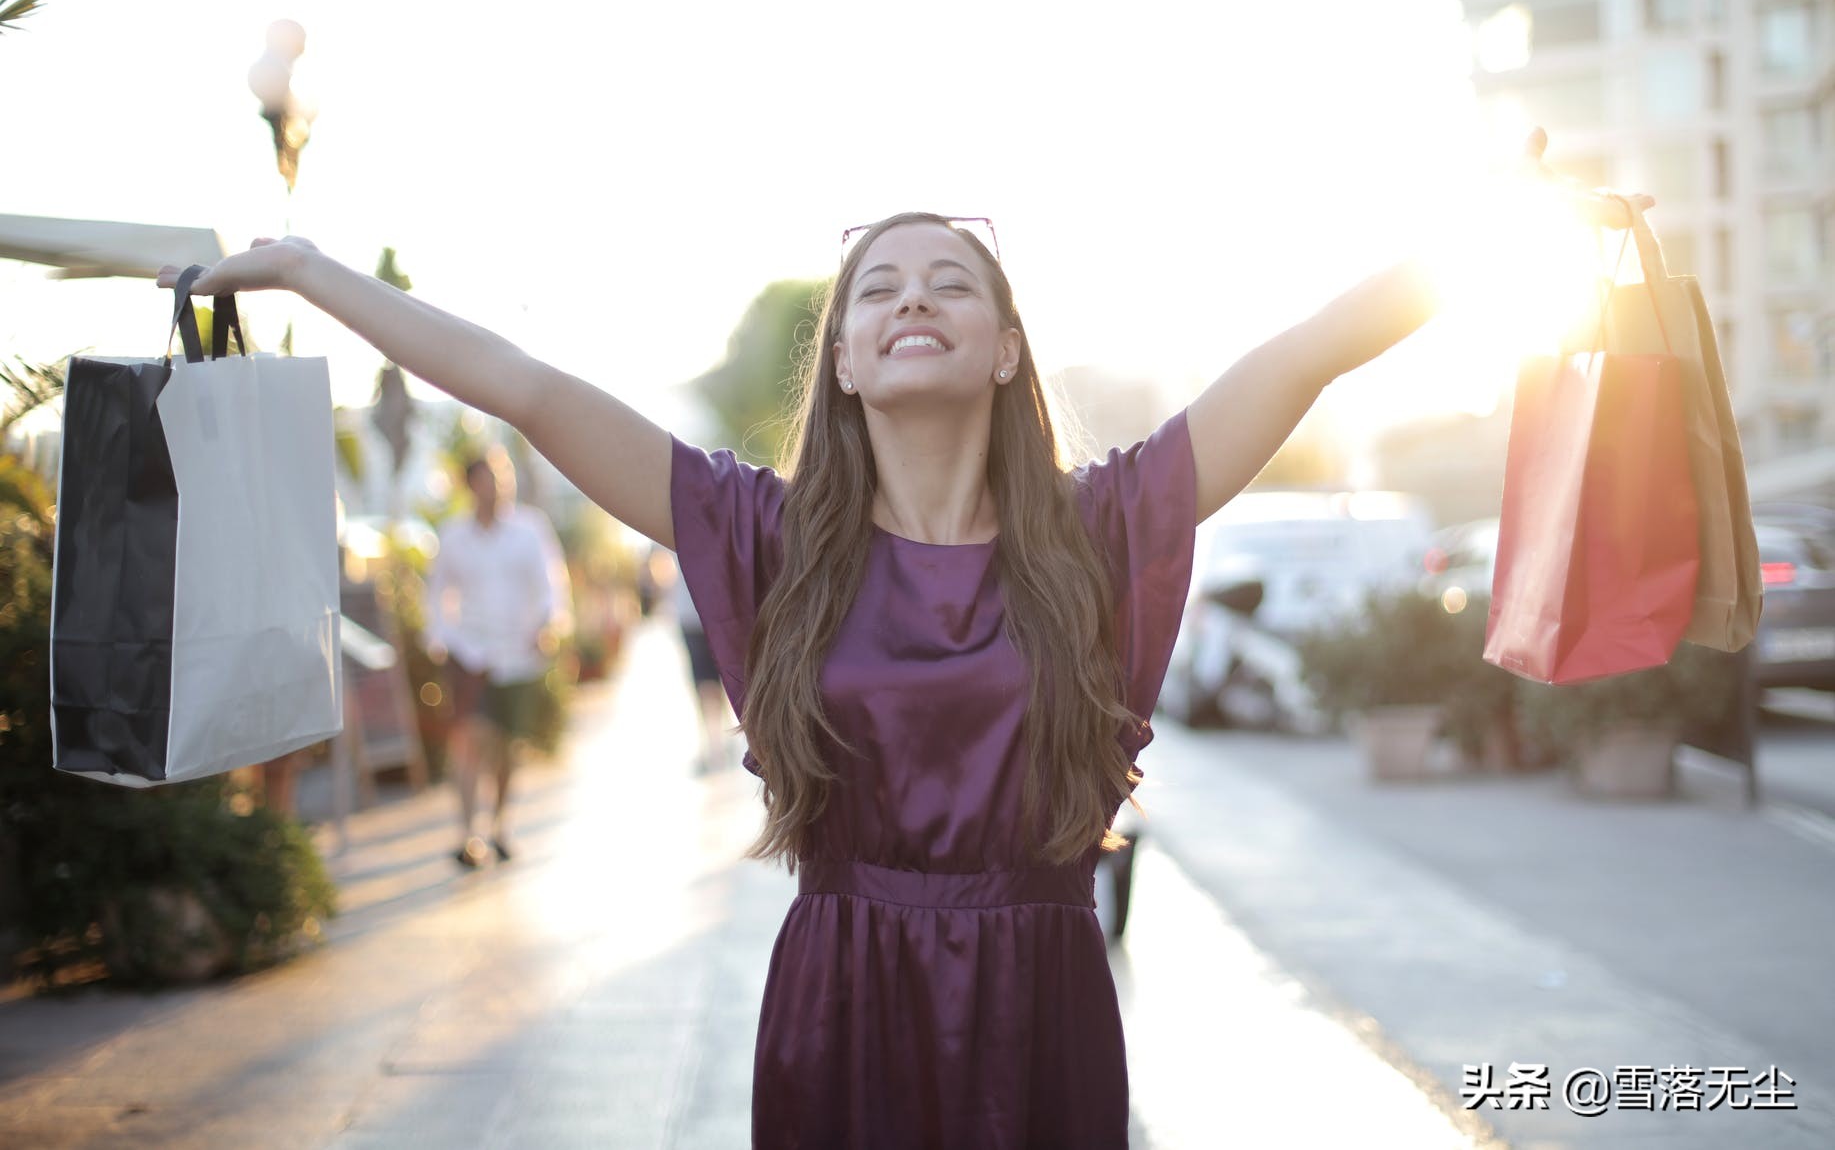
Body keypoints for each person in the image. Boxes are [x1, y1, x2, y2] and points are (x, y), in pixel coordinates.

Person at [159, 131, 1650, 1146]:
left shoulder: (1101, 526)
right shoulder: (758, 535)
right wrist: (307, 273)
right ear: (850, 361)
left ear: (1005, 350)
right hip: (841, 984)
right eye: (880, 287)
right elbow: (529, 390)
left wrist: (1500, 236)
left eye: (951, 282)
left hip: (1044, 984)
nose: (913, 298)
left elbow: (1305, 353)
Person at [424, 445, 572, 867]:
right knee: (470, 741)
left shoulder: (529, 529)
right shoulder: (453, 536)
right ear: (471, 485)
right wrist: (446, 640)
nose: (497, 487)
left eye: (502, 478)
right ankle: (467, 835)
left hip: (518, 658)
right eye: (487, 479)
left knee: (506, 750)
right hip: (471, 658)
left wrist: (546, 626)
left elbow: (550, 587)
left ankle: (500, 826)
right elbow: (437, 595)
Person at [669, 552, 733, 773]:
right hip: (712, 609)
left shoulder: (678, 520)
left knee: (707, 683)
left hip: (700, 612)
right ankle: (719, 741)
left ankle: (716, 743)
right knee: (715, 681)